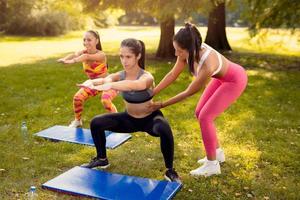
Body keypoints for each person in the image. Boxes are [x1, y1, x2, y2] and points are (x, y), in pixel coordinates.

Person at [149, 23, 248, 177]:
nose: (176, 54)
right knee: (199, 112)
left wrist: (161, 105)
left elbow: (188, 92)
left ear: (190, 49)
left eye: (179, 51)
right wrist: (152, 92)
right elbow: (172, 75)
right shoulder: (187, 52)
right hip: (221, 78)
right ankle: (217, 153)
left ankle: (212, 165)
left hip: (235, 80)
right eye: (175, 49)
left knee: (205, 117)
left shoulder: (207, 64)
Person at [79, 38, 181, 183]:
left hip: (149, 119)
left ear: (138, 56)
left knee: (164, 128)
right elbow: (106, 79)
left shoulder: (147, 77)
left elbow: (135, 85)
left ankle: (170, 171)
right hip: (129, 120)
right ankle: (102, 159)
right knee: (96, 123)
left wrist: (111, 85)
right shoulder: (120, 75)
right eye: (121, 56)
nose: (124, 61)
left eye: (128, 57)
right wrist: (92, 82)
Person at [57, 30, 118, 128]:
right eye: (84, 40)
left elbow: (86, 57)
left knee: (105, 101)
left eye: (89, 40)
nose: (85, 42)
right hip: (93, 84)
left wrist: (72, 61)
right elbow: (74, 54)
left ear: (96, 41)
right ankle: (77, 121)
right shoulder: (83, 52)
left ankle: (117, 121)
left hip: (108, 83)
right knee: (77, 98)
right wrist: (65, 59)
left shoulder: (101, 55)